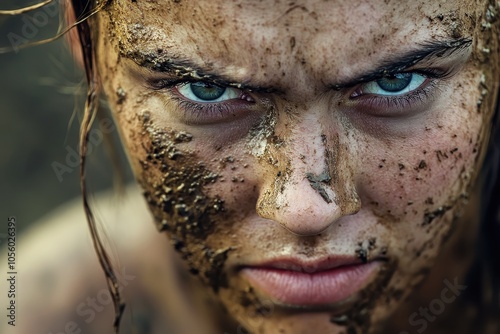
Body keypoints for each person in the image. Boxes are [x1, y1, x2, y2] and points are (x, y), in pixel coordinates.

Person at [1, 0, 499, 333]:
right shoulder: (36, 315)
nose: (304, 210)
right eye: (207, 90)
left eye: (397, 82)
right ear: (89, 48)